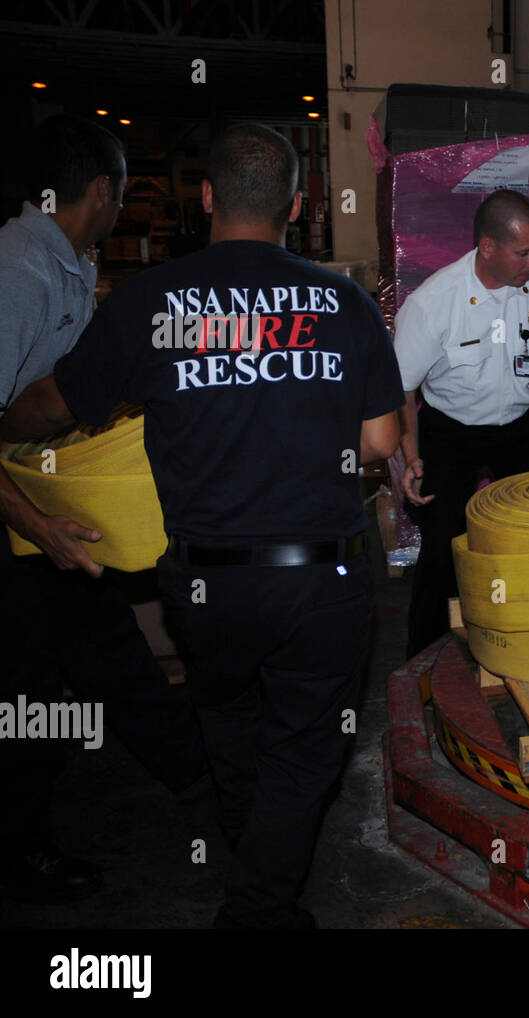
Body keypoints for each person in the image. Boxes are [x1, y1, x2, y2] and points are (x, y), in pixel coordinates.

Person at [3, 122, 403, 928]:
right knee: (303, 754)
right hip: (320, 581)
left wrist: (11, 424)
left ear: (208, 198)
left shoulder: (148, 304)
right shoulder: (344, 302)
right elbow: (378, 444)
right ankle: (257, 907)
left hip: (206, 581)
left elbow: (56, 404)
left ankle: (250, 865)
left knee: (228, 720)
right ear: (296, 204)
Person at [0, 114, 206, 904]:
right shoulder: (20, 271)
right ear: (100, 191)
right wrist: (38, 527)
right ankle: (21, 851)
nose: (122, 210)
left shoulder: (71, 265)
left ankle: (198, 775)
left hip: (46, 500)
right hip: (19, 520)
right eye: (122, 195)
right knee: (29, 691)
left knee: (107, 646)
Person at [393, 188, 529, 658]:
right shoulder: (434, 302)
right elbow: (402, 388)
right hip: (451, 429)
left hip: (520, 426)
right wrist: (412, 455)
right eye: (524, 252)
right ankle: (424, 665)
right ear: (487, 247)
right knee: (444, 550)